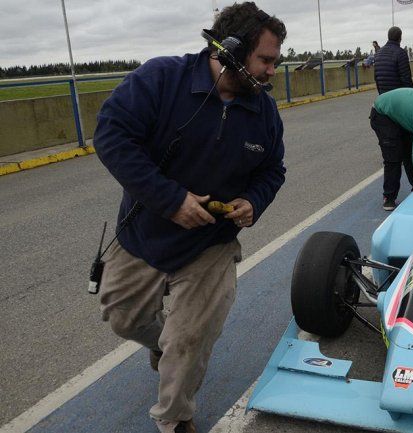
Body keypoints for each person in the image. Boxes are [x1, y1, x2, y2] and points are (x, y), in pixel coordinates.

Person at [93, 3, 287, 432]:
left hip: (209, 245)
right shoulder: (161, 78)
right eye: (266, 60)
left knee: (189, 338)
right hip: (144, 233)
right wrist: (171, 200)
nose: (274, 70)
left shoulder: (263, 113)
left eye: (276, 61)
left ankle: (175, 419)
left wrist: (255, 200)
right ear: (232, 50)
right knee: (122, 317)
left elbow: (273, 169)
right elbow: (110, 133)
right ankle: (161, 344)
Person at [374, 27, 413, 94]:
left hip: (384, 96)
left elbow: (376, 77)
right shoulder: (401, 53)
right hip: (398, 96)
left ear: (388, 36)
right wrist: (411, 95)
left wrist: (381, 94)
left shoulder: (378, 53)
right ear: (400, 38)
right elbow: (406, 79)